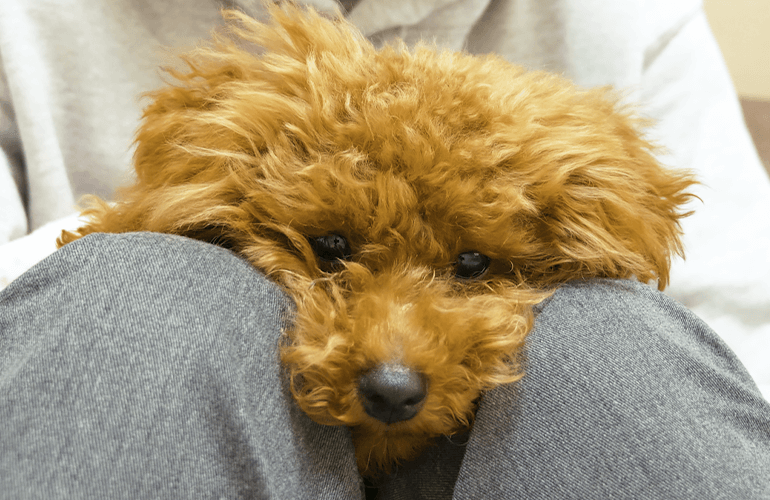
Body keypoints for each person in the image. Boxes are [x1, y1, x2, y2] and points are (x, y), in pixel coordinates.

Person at [1, 1, 769, 498]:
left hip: (508, 454)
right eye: (332, 248)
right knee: (144, 282)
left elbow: (730, 344)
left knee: (610, 336)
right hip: (176, 423)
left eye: (470, 266)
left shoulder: (633, 18)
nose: (391, 364)